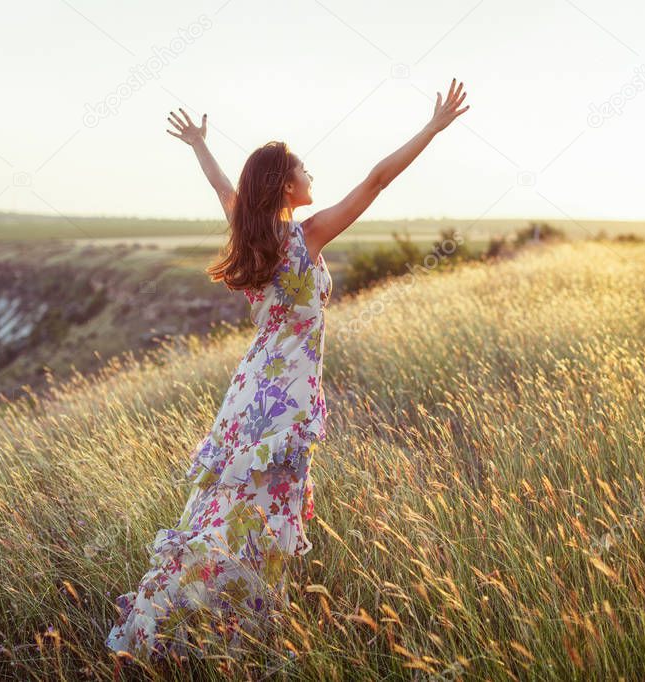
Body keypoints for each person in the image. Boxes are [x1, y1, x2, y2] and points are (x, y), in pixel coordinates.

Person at [104, 78, 470, 665]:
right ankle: (243, 628)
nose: (312, 176)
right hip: (286, 399)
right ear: (285, 184)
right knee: (266, 506)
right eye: (303, 168)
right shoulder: (307, 236)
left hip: (252, 390)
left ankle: (201, 616)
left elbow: (226, 187)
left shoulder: (250, 232)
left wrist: (200, 145)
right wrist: (431, 128)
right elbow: (377, 181)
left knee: (227, 505)